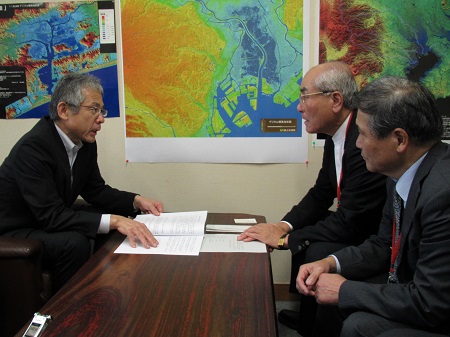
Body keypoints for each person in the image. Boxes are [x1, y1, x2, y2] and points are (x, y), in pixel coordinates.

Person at [237, 61, 387, 336]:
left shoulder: (362, 140)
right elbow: (321, 193)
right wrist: (283, 226)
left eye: (305, 96)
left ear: (335, 100)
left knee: (315, 249)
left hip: (376, 236)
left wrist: (284, 241)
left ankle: (318, 327)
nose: (299, 106)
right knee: (308, 232)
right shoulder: (336, 135)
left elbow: (352, 222)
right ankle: (308, 319)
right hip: (357, 221)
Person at [296, 76, 450, 337]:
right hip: (412, 285)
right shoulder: (399, 173)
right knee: (332, 298)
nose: (357, 144)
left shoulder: (442, 195)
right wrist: (330, 263)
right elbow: (384, 245)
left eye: (363, 135)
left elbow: (431, 303)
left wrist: (345, 290)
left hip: (434, 305)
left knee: (359, 325)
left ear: (399, 140)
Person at [0, 72, 163, 292]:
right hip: (16, 229)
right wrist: (114, 220)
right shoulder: (33, 148)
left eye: (101, 110)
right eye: (93, 109)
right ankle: (68, 311)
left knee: (115, 223)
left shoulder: (84, 141)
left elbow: (95, 190)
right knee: (74, 242)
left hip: (45, 220)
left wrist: (135, 201)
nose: (101, 118)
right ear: (64, 110)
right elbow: (51, 215)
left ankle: (107, 287)